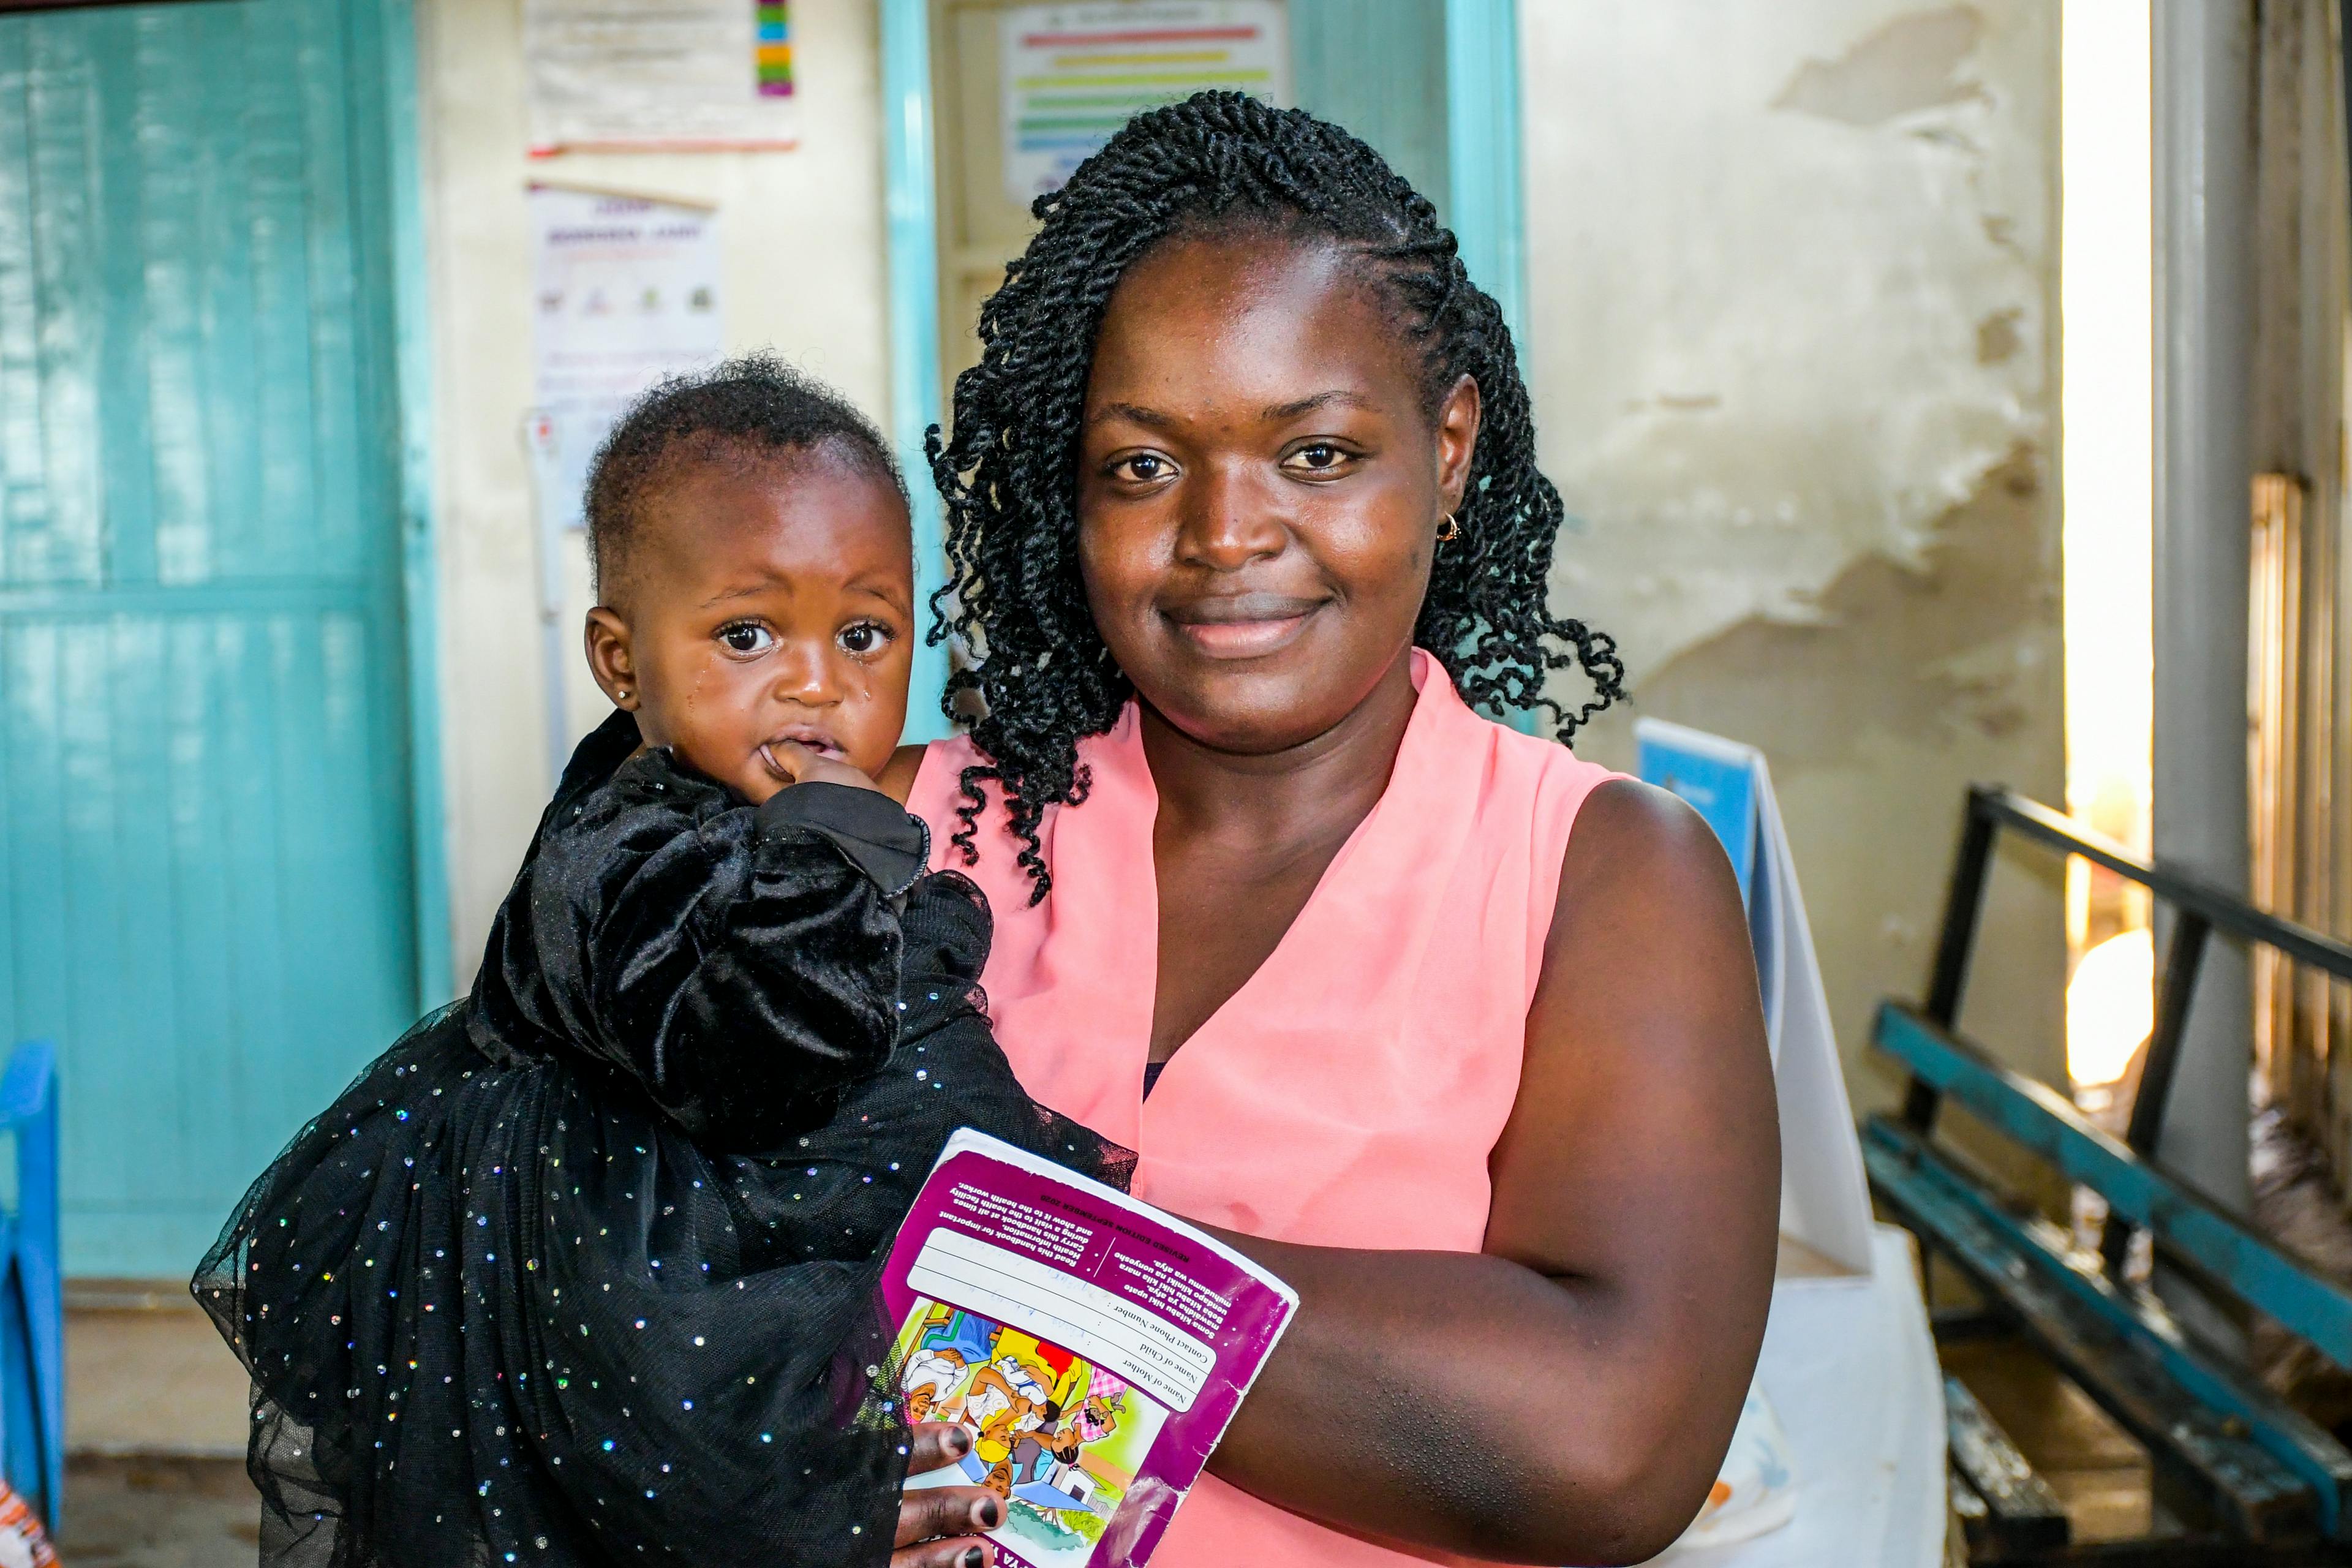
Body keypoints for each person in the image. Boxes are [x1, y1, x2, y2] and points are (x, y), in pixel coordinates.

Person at [886, 94, 1781, 1567]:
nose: (1225, 533)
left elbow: (1611, 1440)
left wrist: (987, 1240)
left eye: (1314, 455)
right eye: (1144, 464)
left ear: (1447, 449)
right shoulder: (903, 832)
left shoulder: (1604, 876)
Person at [193, 356, 1129, 1568]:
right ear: (620, 658)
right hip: (659, 1302)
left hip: (810, 1245)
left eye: (864, 631)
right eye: (747, 632)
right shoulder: (624, 856)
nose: (816, 680)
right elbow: (756, 1069)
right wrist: (836, 855)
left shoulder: (763, 821)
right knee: (780, 1497)